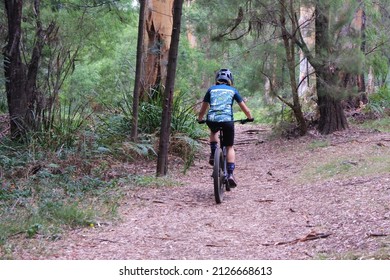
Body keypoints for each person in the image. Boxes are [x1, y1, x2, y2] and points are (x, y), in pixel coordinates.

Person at [197, 69, 253, 187]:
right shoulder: (233, 91)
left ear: (217, 79)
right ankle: (231, 174)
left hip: (212, 119)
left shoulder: (211, 89)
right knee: (229, 147)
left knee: (213, 131)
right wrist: (249, 117)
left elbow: (203, 108)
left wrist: (200, 119)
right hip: (228, 120)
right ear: (230, 80)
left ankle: (213, 154)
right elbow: (244, 108)